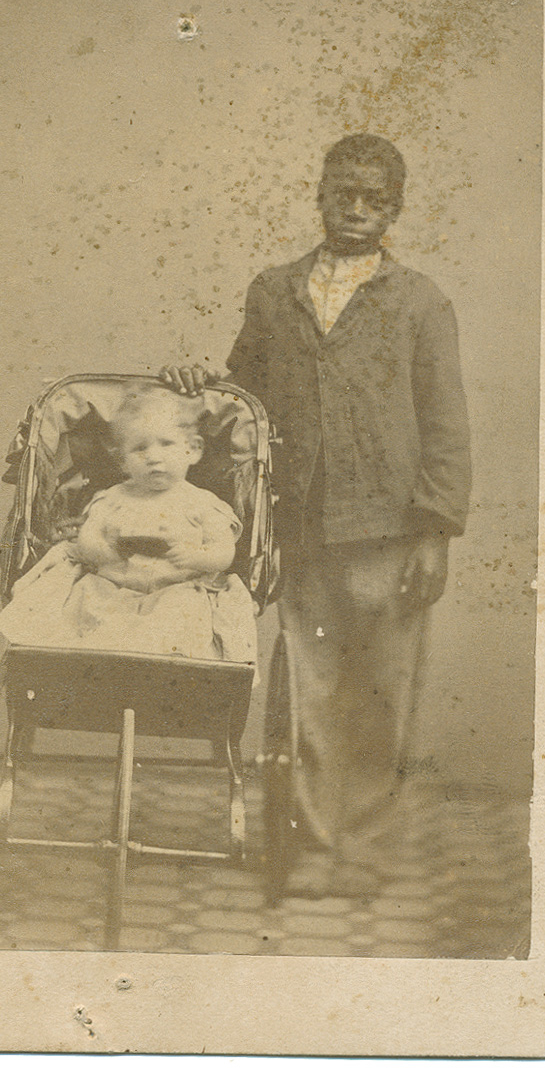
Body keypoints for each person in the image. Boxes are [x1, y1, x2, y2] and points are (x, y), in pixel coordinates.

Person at [161, 133, 471, 897]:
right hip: (302, 525)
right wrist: (199, 385)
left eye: (375, 200)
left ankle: (358, 850)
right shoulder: (274, 290)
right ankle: (306, 839)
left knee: (382, 694)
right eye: (345, 195)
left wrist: (434, 534)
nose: (358, 211)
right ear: (323, 195)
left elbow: (445, 423)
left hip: (392, 530)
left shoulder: (420, 301)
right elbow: (243, 394)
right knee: (310, 688)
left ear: (394, 208)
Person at [0, 386, 257, 664]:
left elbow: (224, 552)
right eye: (139, 448)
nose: (154, 457)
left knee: (183, 616)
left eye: (166, 444)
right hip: (113, 590)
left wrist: (196, 556)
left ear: (192, 449)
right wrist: (106, 550)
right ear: (123, 462)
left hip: (176, 590)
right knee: (89, 608)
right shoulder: (111, 500)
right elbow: (88, 540)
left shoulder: (204, 504)